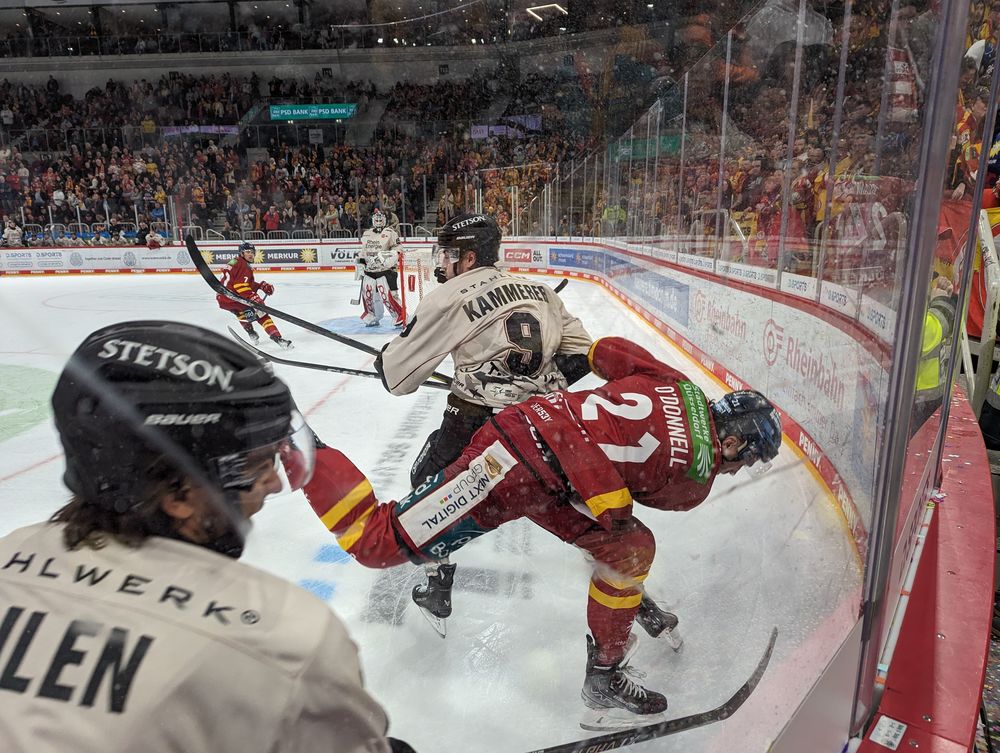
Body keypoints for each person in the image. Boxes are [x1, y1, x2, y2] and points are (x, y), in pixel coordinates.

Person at [308, 335, 783, 730]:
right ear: (733, 440)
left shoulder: (681, 386)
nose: (737, 469)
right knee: (377, 542)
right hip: (512, 465)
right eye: (746, 458)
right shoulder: (696, 482)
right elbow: (622, 497)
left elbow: (605, 352)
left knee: (627, 545)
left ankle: (610, 657)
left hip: (537, 453)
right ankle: (295, 443)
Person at [0, 321, 411, 753]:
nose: (273, 483)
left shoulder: (11, 550)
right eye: (255, 465)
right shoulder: (285, 637)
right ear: (177, 493)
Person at [374, 212, 594, 625]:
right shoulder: (539, 290)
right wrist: (535, 384)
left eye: (447, 255)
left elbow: (397, 379)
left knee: (427, 482)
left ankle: (439, 586)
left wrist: (382, 364)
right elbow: (585, 353)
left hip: (474, 421)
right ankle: (636, 595)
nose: (441, 263)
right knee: (568, 502)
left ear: (469, 257)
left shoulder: (450, 295)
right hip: (541, 420)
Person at [216, 241, 293, 349]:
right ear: (241, 253)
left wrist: (261, 286)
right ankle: (278, 339)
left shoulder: (235, 262)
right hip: (235, 297)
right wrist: (254, 298)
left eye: (252, 252)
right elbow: (241, 286)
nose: (251, 254)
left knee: (241, 313)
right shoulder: (243, 265)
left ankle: (251, 333)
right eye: (247, 252)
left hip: (223, 298)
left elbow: (242, 283)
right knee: (262, 314)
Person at [356, 208, 405, 328]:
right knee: (368, 294)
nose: (378, 222)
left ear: (384, 221)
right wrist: (360, 263)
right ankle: (373, 316)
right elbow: (363, 251)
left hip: (385, 271)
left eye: (380, 219)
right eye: (376, 219)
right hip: (370, 270)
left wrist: (386, 257)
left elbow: (398, 249)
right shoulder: (367, 234)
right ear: (372, 220)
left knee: (388, 296)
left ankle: (400, 316)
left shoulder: (390, 233)